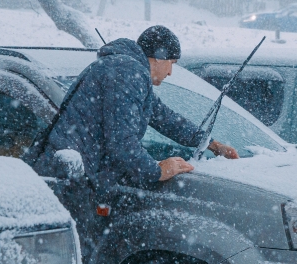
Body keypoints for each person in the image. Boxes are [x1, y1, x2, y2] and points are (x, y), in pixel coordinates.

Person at [31, 26, 238, 187]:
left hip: (70, 172)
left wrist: (209, 143)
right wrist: (156, 170)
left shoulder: (125, 69)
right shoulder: (128, 71)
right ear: (159, 57)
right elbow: (121, 141)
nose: (170, 72)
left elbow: (163, 117)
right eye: (172, 63)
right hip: (71, 180)